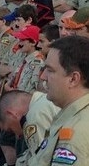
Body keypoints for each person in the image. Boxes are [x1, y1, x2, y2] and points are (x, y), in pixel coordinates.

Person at [31, 36, 89, 165]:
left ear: (73, 79)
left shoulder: (75, 135)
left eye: (50, 70)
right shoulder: (72, 115)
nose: (43, 76)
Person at [0, 90, 60, 165]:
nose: (17, 135)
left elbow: (42, 160)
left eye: (11, 130)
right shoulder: (44, 99)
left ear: (12, 114)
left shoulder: (34, 117)